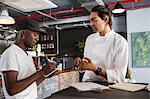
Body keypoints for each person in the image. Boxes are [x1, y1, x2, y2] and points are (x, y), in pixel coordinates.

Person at [0, 18, 57, 99]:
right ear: (23, 33)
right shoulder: (11, 53)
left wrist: (45, 75)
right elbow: (11, 89)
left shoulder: (27, 56)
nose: (37, 38)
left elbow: (31, 85)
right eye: (35, 34)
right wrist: (40, 72)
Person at [74, 5, 129, 83]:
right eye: (90, 21)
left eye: (94, 20)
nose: (91, 24)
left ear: (106, 19)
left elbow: (119, 77)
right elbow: (87, 64)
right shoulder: (90, 39)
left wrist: (95, 69)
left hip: (108, 86)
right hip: (87, 84)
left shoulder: (120, 42)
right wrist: (81, 64)